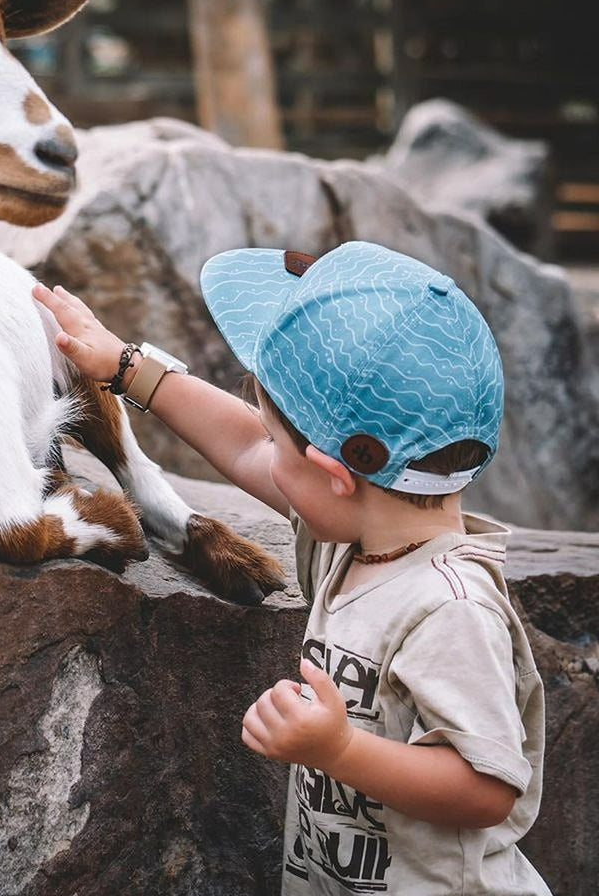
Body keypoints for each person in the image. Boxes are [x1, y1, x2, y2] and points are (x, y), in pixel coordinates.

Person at [33, 240, 549, 895]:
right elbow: (246, 440)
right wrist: (127, 366)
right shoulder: (356, 535)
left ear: (335, 478)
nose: (262, 447)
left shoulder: (451, 609)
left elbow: (485, 790)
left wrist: (340, 752)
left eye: (279, 443)